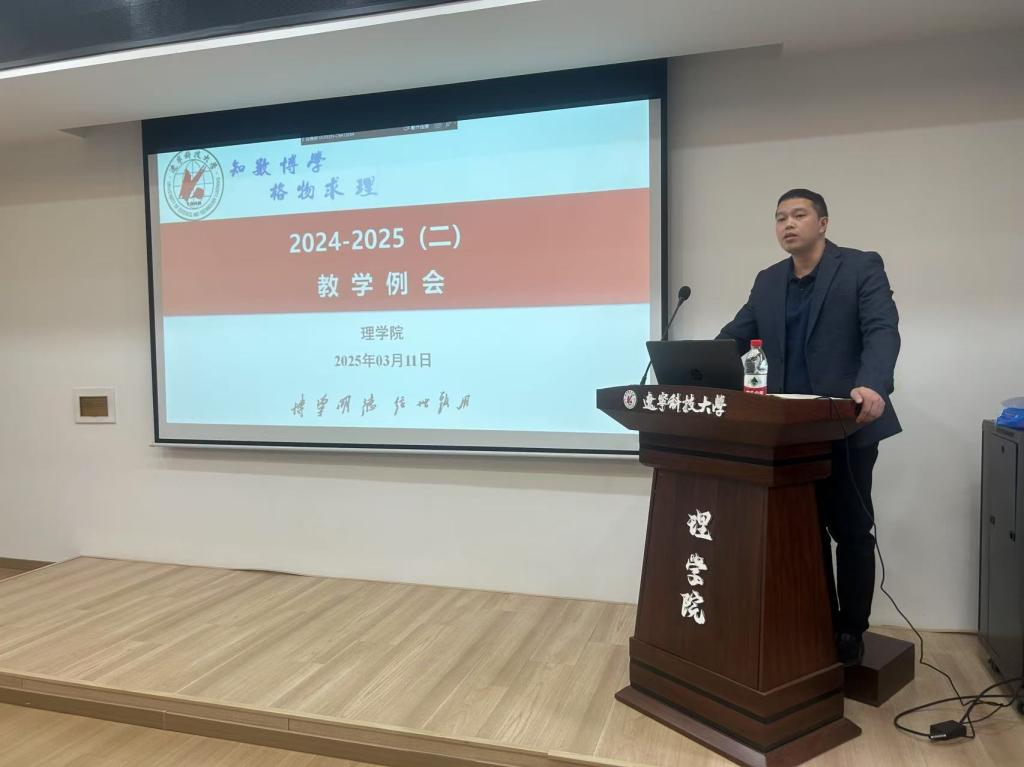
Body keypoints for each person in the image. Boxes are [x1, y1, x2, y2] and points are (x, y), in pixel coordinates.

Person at [717, 188, 901, 665]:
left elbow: (882, 330)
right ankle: (815, 619)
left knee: (851, 530)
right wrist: (696, 366)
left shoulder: (860, 267)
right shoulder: (768, 281)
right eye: (780, 217)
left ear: (823, 223)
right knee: (801, 528)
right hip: (788, 431)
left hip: (845, 423)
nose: (788, 224)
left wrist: (873, 383)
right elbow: (735, 336)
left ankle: (851, 630)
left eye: (799, 215)